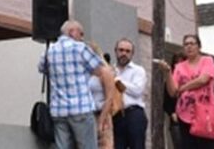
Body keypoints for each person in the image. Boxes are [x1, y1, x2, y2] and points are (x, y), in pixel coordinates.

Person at [38, 20, 115, 149]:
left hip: (59, 110)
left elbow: (42, 69)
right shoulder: (80, 48)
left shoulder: (49, 51)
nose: (82, 37)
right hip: (81, 108)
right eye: (81, 33)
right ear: (72, 32)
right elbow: (100, 70)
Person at [158, 34, 214, 149]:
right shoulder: (179, 67)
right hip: (185, 114)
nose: (189, 47)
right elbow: (173, 91)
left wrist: (183, 88)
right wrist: (168, 73)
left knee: (206, 145)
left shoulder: (207, 60)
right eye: (186, 44)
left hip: (205, 112)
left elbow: (203, 80)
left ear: (199, 46)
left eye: (192, 43)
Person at [112, 38, 147, 149]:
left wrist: (117, 81)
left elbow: (137, 91)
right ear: (115, 51)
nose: (124, 53)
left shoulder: (138, 70)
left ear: (132, 54)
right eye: (121, 50)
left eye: (128, 51)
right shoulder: (110, 70)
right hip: (115, 116)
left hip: (134, 114)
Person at [163, 53, 186, 149]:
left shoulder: (192, 80)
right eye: (177, 63)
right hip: (176, 120)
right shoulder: (170, 81)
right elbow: (166, 101)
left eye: (182, 62)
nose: (179, 65)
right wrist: (171, 112)